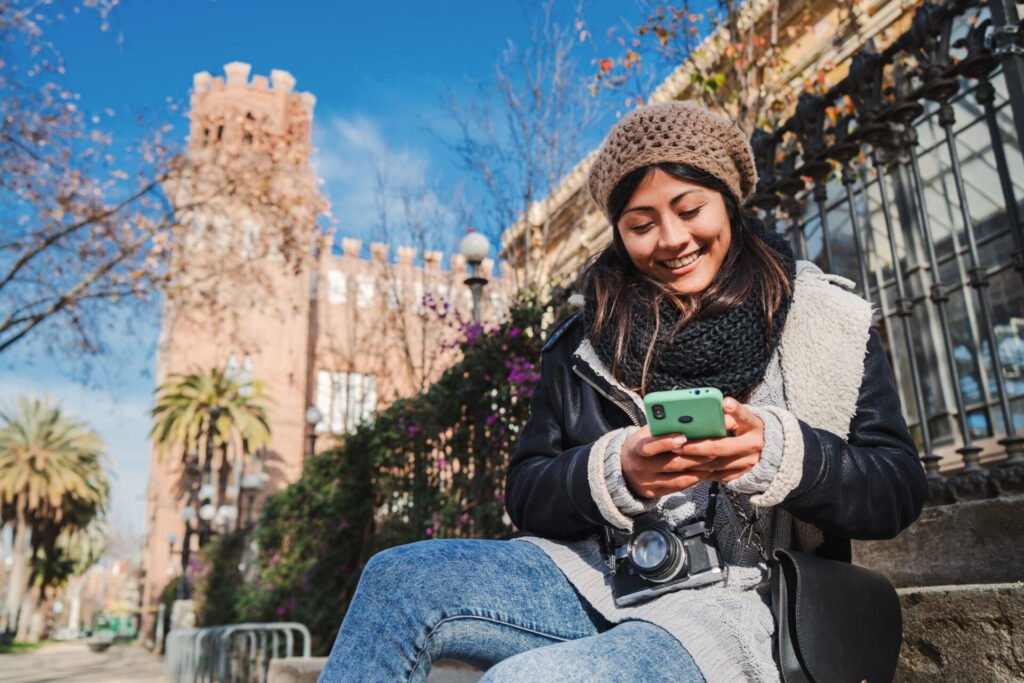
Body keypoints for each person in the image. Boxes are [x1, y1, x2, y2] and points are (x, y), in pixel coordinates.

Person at [318, 101, 928, 682]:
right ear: (619, 232)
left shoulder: (824, 318)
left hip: (741, 604)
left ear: (729, 203)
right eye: (641, 224)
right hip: (593, 579)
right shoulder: (582, 339)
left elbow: (896, 488)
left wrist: (776, 454)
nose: (670, 239)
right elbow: (528, 492)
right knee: (399, 580)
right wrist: (618, 472)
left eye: (690, 210)